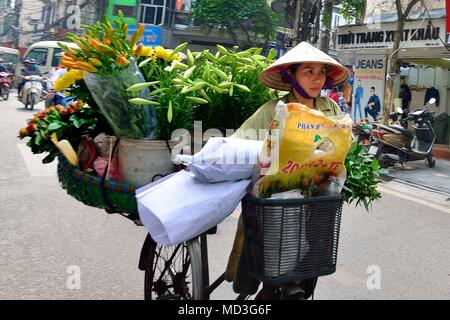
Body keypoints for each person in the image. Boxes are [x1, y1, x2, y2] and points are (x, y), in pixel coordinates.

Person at [226, 41, 350, 300]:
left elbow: (343, 145)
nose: (317, 79)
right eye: (308, 71)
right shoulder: (273, 110)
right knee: (274, 269)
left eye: (321, 72)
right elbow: (238, 143)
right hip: (278, 203)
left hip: (317, 199)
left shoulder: (331, 109)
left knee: (312, 267)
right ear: (290, 75)